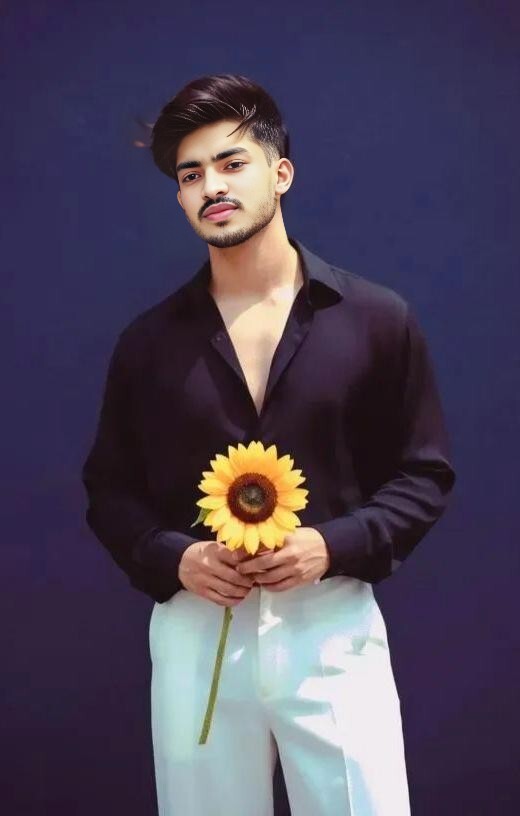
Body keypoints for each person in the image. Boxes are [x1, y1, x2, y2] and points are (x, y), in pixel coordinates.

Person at [81, 73, 456, 815]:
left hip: (331, 625)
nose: (211, 187)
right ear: (180, 197)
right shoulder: (148, 344)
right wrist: (175, 557)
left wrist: (333, 545)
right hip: (198, 632)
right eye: (191, 175)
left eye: (231, 163)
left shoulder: (376, 320)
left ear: (280, 173)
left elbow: (424, 474)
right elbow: (108, 489)